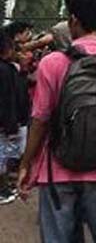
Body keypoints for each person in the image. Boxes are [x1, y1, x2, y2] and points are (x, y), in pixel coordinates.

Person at [17, 0, 96, 242]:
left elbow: (40, 119)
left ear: (73, 19)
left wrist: (27, 163)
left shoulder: (53, 62)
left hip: (58, 169)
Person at [0, 31, 29, 204]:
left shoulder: (8, 69)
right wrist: (10, 123)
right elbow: (8, 99)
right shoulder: (5, 70)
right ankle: (2, 190)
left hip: (7, 120)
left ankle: (5, 186)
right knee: (3, 155)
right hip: (6, 122)